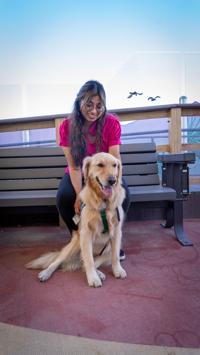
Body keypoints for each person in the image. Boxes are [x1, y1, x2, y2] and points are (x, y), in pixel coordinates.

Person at [56, 80, 130, 260]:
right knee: (65, 197)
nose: (94, 110)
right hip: (79, 174)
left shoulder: (111, 123)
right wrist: (78, 195)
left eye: (99, 106)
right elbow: (74, 166)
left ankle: (110, 243)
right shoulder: (67, 126)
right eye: (89, 104)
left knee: (124, 193)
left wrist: (114, 185)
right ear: (79, 101)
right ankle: (80, 238)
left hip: (105, 172)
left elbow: (115, 159)